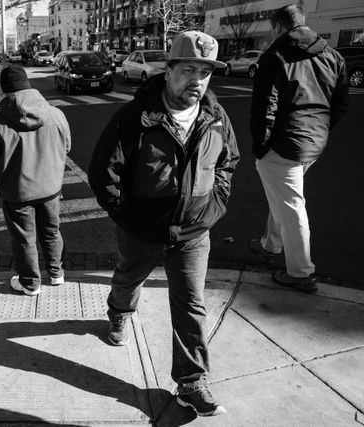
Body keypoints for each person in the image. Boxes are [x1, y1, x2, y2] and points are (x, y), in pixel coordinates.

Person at [88, 31, 239, 417]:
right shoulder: (133, 118)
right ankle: (119, 313)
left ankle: (191, 383)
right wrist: (127, 216)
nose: (197, 81)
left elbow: (227, 164)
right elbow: (104, 173)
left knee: (191, 304)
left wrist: (214, 206)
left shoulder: (216, 118)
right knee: (128, 279)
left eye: (205, 73)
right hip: (143, 231)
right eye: (189, 69)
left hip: (192, 233)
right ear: (168, 71)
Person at [249, 4, 348, 293]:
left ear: (279, 26)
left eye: (272, 29)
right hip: (314, 142)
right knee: (284, 193)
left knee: (291, 205)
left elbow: (264, 107)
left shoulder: (276, 55)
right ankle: (270, 244)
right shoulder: (334, 55)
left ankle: (301, 272)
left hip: (285, 142)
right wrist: (319, 131)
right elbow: (340, 104)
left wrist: (261, 146)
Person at [0, 65, 71, 296]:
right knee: (51, 231)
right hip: (50, 188)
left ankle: (30, 283)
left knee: (24, 238)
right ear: (28, 85)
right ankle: (56, 273)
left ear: (3, 89)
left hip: (18, 193)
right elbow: (67, 147)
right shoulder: (56, 114)